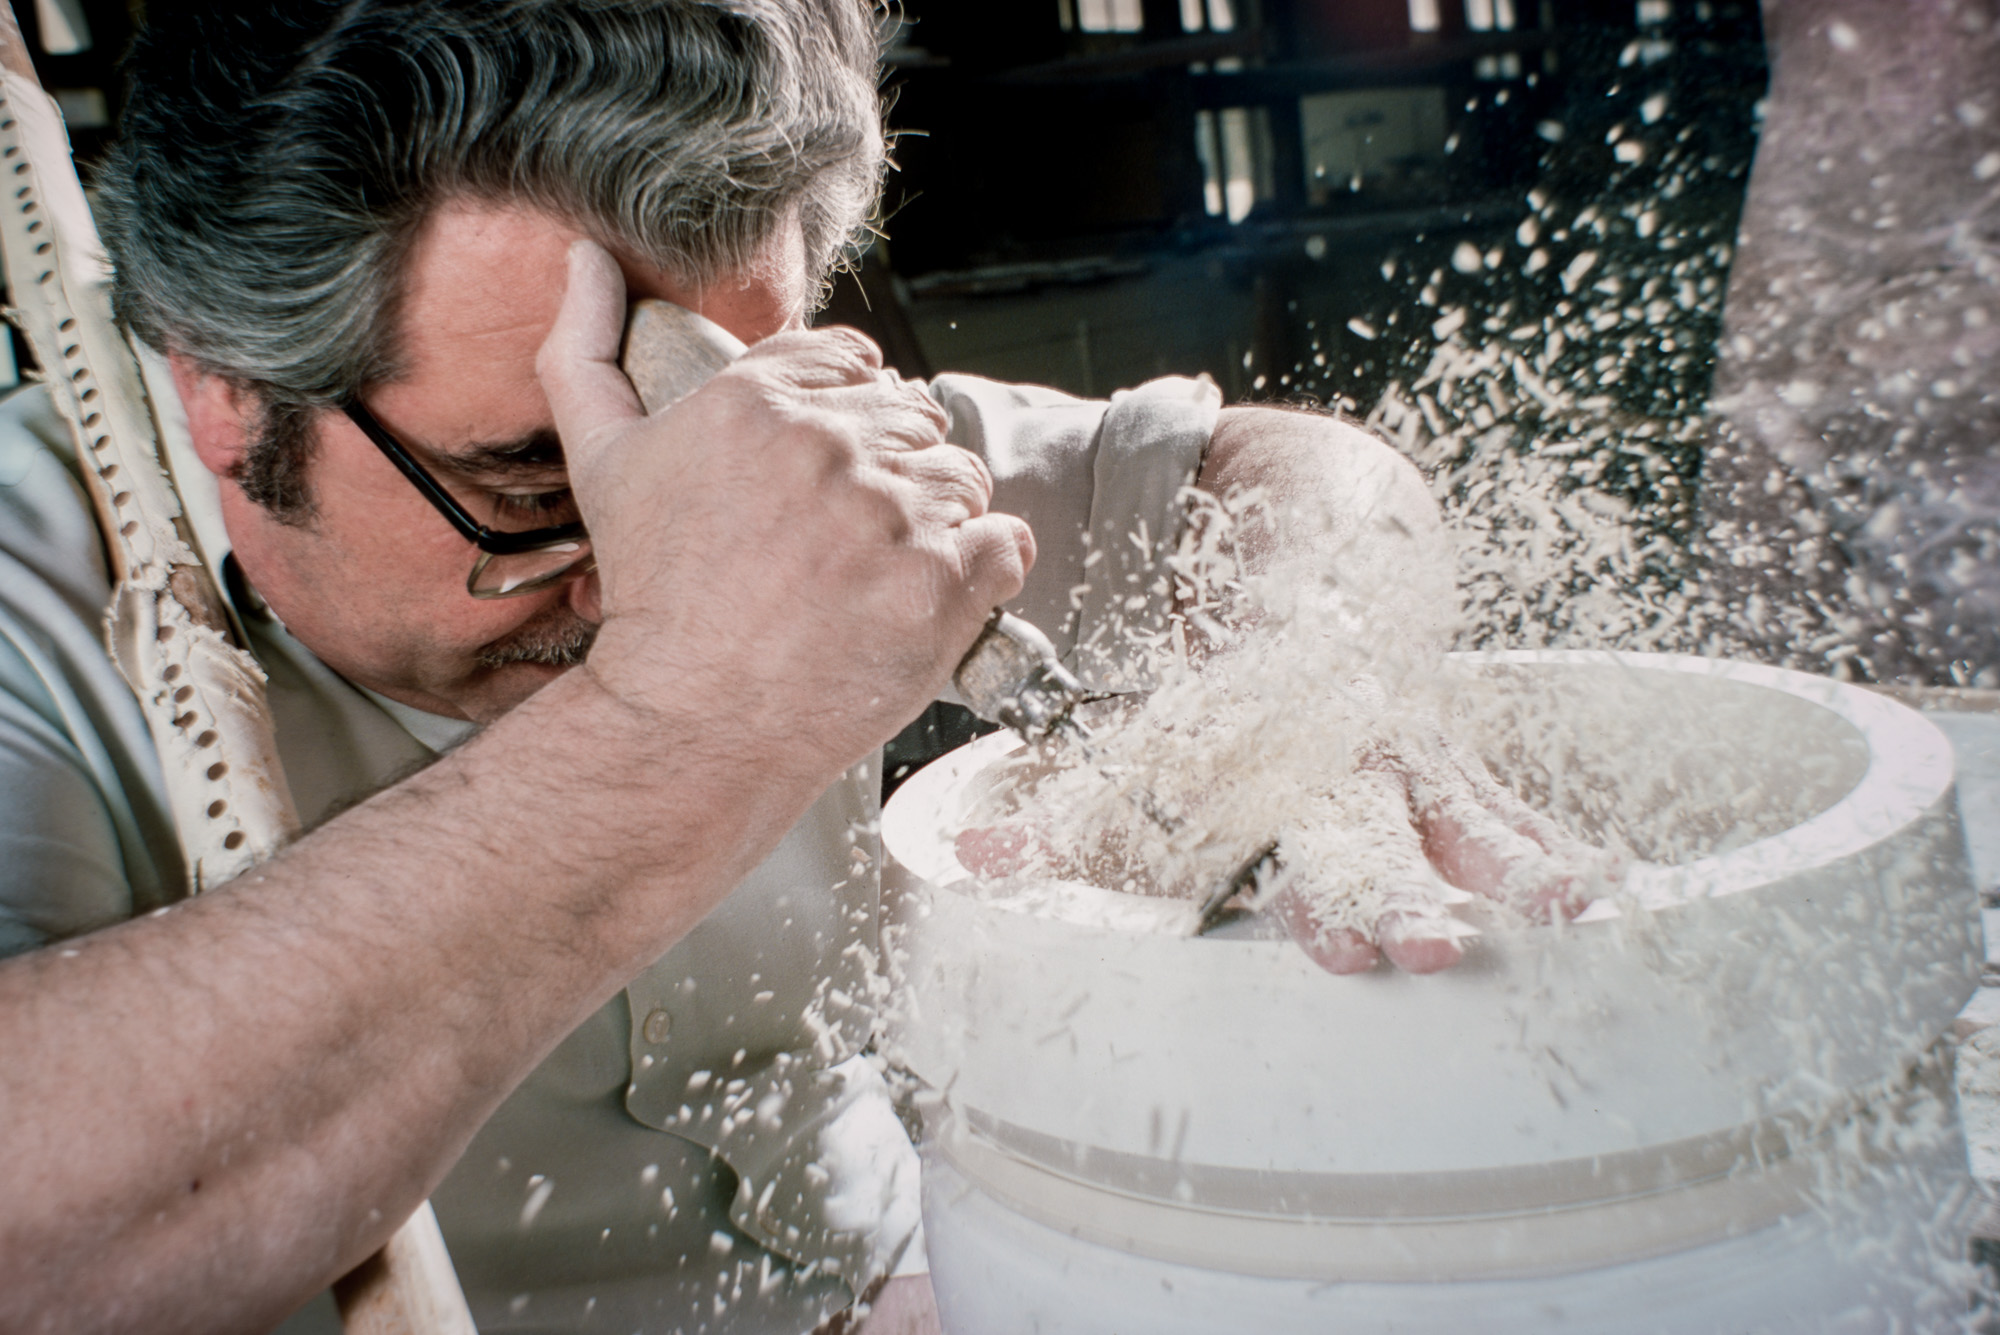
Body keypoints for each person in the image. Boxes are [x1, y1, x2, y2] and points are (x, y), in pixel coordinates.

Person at [0, 2, 1589, 1331]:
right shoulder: (35, 602)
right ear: (222, 389)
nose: (667, 562)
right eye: (535, 492)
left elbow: (1296, 475)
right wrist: (682, 713)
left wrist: (1299, 690)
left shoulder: (815, 480)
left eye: (718, 443)